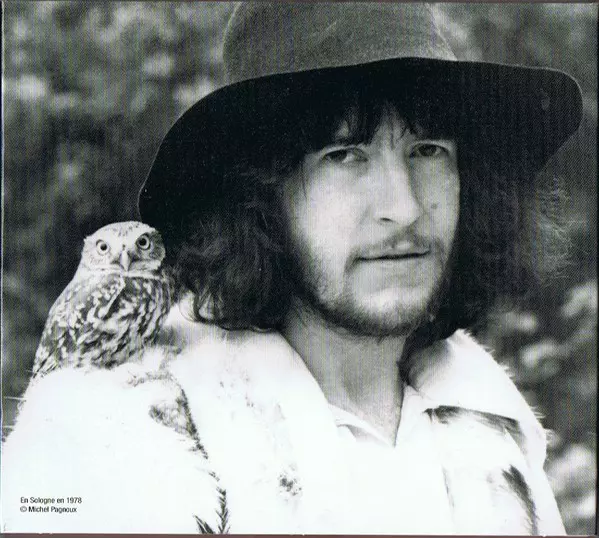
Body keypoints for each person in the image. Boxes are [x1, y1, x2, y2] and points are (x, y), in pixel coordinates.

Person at [1, 3, 583, 534]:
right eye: (344, 155)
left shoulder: (494, 428)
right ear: (258, 197)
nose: (403, 208)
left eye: (428, 150)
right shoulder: (111, 437)